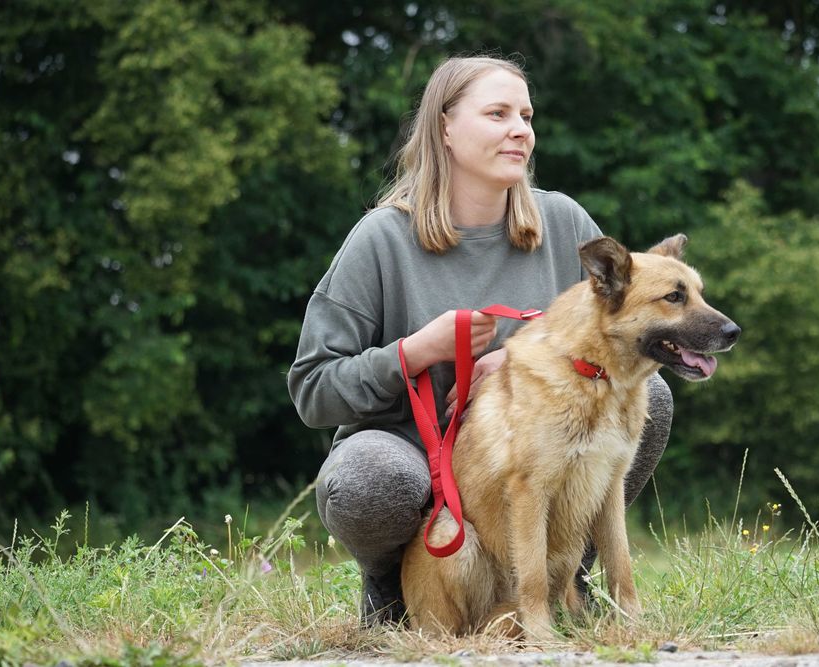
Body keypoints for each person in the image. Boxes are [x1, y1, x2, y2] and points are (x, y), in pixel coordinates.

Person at [288, 55, 673, 627]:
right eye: (497, 114)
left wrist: (523, 356)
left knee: (653, 395)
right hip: (416, 462)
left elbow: (613, 334)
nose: (521, 129)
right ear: (444, 127)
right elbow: (313, 390)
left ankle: (566, 577)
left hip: (526, 460)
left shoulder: (562, 221)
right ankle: (392, 593)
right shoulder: (381, 239)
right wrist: (419, 350)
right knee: (370, 475)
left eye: (525, 114)